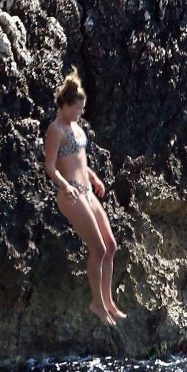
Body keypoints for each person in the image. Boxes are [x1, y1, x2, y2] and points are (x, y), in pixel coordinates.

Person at [44, 67, 126, 327]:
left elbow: (79, 160)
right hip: (70, 193)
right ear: (66, 105)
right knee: (98, 248)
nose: (81, 113)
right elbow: (50, 166)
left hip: (87, 190)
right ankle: (96, 303)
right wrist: (64, 185)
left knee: (110, 245)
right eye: (78, 108)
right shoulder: (56, 130)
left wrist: (93, 176)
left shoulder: (77, 128)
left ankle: (108, 300)